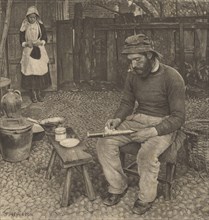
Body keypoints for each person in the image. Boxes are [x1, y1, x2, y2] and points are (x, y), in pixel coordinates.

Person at [96, 34, 185, 215]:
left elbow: (178, 117)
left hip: (164, 123)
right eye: (131, 61)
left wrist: (152, 132)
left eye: (137, 60)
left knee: (146, 155)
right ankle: (118, 185)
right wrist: (118, 119)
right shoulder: (133, 74)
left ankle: (146, 198)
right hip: (139, 119)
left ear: (150, 56)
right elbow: (127, 103)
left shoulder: (172, 77)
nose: (133, 65)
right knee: (104, 143)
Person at [19, 6, 51, 103]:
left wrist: (41, 42)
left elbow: (45, 37)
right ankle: (33, 93)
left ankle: (39, 92)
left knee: (40, 71)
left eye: (34, 17)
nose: (32, 19)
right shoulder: (24, 26)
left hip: (39, 49)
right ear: (27, 17)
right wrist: (25, 43)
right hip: (29, 50)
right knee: (31, 72)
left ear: (36, 17)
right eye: (30, 17)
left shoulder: (40, 25)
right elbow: (21, 39)